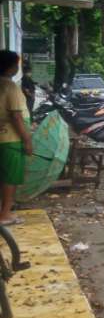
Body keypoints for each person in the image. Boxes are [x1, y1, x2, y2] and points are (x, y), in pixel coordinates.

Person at [0, 50, 33, 226]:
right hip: (11, 139)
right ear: (10, 67)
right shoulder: (10, 86)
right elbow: (16, 117)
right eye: (16, 65)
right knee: (10, 179)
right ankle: (5, 214)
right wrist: (27, 140)